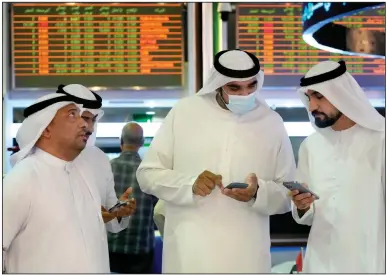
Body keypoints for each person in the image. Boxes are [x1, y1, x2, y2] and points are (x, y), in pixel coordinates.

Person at [136, 49, 296, 273]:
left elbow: (288, 193)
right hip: (190, 252)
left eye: (251, 86)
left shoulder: (272, 123)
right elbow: (147, 174)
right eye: (235, 88)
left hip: (246, 256)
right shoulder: (184, 113)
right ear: (219, 84)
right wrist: (189, 184)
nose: (245, 94)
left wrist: (259, 192)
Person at [289, 60, 385, 273]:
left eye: (319, 96)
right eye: (309, 97)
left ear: (341, 93)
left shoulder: (381, 140)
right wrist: (302, 205)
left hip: (370, 262)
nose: (312, 106)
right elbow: (308, 215)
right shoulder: (310, 146)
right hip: (321, 263)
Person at [4, 93, 110, 273]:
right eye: (72, 115)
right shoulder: (24, 178)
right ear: (46, 129)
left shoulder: (84, 175)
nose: (84, 124)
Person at [57, 84, 136, 232]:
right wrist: (93, 216)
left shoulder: (99, 159)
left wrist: (119, 210)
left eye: (93, 120)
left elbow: (110, 217)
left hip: (95, 252)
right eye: (85, 118)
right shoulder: (39, 162)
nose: (90, 128)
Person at [108, 122, 158, 274]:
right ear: (142, 143)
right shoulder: (151, 172)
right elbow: (158, 208)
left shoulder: (107, 167)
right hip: (141, 247)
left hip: (111, 246)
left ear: (121, 140)